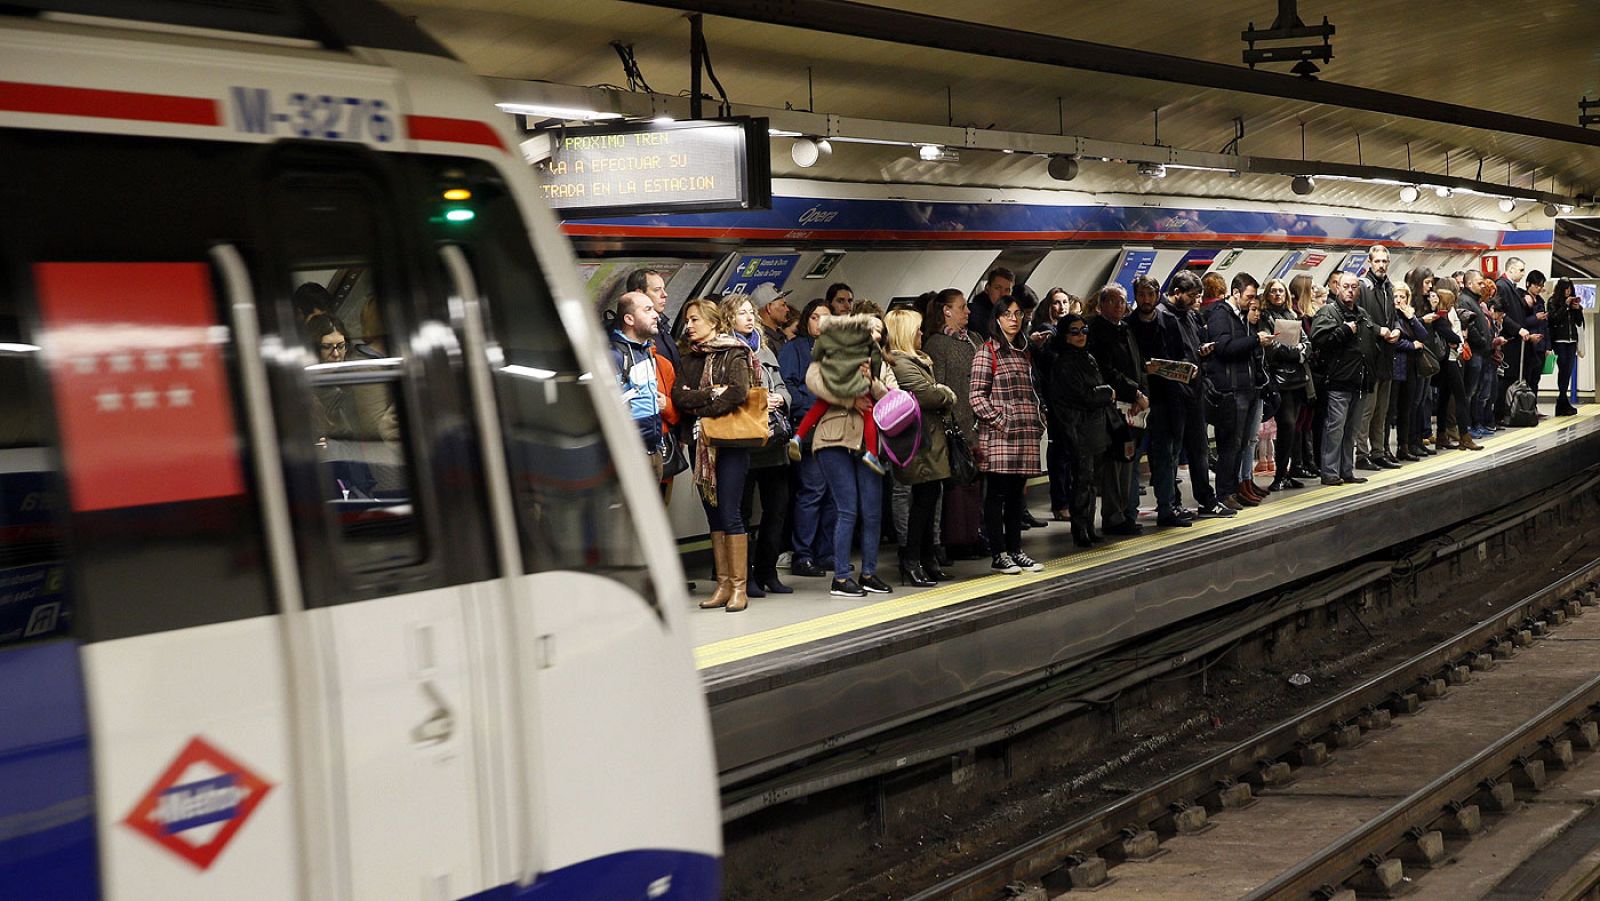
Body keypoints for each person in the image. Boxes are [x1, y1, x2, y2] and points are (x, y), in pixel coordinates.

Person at [672, 298, 758, 613]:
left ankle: (739, 587)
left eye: (695, 320)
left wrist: (702, 409)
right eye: (687, 321)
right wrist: (710, 394)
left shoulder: (734, 352)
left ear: (714, 321)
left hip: (730, 444)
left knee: (731, 512)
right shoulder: (687, 358)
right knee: (713, 513)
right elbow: (679, 396)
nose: (689, 326)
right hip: (700, 444)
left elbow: (738, 392)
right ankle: (723, 584)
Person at [806, 311, 894, 597]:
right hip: (834, 438)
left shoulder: (879, 360)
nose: (876, 336)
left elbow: (891, 396)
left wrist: (872, 383)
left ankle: (869, 573)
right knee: (848, 508)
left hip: (868, 442)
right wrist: (848, 397)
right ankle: (841, 578)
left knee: (872, 511)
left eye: (880, 331)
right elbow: (814, 382)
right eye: (872, 330)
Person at [970, 296, 1046, 574]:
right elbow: (976, 396)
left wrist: (1038, 420)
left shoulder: (1024, 352)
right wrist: (1002, 421)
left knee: (1017, 495)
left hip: (1025, 433)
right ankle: (999, 553)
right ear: (997, 319)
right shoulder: (986, 352)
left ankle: (1015, 549)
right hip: (1000, 435)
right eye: (1007, 314)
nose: (1014, 319)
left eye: (1018, 314)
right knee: (997, 493)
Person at [725, 294, 794, 597]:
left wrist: (782, 399)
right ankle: (745, 573)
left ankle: (768, 571)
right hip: (745, 442)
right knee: (742, 511)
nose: (750, 318)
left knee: (776, 508)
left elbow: (781, 386)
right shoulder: (727, 351)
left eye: (751, 312)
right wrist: (760, 400)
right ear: (729, 318)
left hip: (773, 441)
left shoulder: (764, 349)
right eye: (742, 313)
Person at [884, 309, 955, 586]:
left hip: (930, 440)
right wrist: (946, 393)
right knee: (922, 503)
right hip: (919, 442)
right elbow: (929, 395)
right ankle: (912, 561)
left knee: (930, 497)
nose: (921, 334)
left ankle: (927, 559)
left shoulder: (918, 361)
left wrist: (940, 392)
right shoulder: (902, 364)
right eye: (917, 330)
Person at [1046, 313, 1118, 547]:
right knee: (1082, 480)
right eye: (1074, 332)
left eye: (1084, 331)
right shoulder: (1064, 363)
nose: (1080, 336)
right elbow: (1083, 395)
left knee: (1090, 481)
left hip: (1093, 427)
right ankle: (1080, 528)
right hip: (1078, 429)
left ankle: (1088, 525)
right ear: (1065, 335)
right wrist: (1107, 393)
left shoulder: (1087, 357)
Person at [1165, 272, 1232, 518]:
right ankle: (1171, 502)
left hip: (1194, 390)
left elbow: (1191, 347)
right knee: (1172, 452)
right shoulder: (1165, 317)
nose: (1196, 300)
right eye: (1192, 295)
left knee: (1199, 448)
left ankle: (1206, 499)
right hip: (1173, 394)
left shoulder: (1190, 316)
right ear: (1177, 293)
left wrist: (1202, 352)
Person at [924, 288, 985, 560]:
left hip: (978, 422)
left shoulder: (974, 340)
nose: (968, 312)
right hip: (955, 425)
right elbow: (938, 387)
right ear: (946, 311)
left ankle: (974, 534)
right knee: (956, 486)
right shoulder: (937, 345)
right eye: (962, 307)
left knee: (974, 484)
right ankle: (956, 539)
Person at [1129, 275, 1193, 525]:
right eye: (1142, 294)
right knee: (1134, 459)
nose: (1146, 299)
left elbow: (1179, 356)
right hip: (1139, 399)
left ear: (1157, 295)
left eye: (1150, 294)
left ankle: (1167, 508)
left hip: (1167, 398)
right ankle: (1130, 513)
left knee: (1167, 456)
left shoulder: (1169, 321)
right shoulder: (1129, 325)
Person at [1087, 284, 1149, 532]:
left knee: (1128, 461)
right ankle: (1113, 516)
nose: (1119, 306)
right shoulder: (1098, 332)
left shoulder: (1126, 329)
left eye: (1122, 301)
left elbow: (1138, 363)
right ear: (1101, 305)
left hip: (1133, 405)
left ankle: (1124, 512)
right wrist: (1134, 391)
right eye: (1113, 302)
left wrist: (1141, 393)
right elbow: (1107, 370)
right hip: (1114, 408)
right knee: (1115, 463)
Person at [780, 299, 835, 577]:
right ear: (806, 320)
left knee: (833, 494)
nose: (820, 323)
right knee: (811, 491)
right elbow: (788, 382)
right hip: (809, 424)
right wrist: (807, 404)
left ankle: (826, 553)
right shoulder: (794, 348)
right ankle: (803, 554)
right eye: (815, 317)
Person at [1206, 273, 1270, 509]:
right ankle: (1224, 492)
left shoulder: (1241, 317)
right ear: (1235, 293)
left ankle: (1234, 489)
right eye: (1249, 297)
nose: (1251, 302)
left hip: (1247, 387)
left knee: (1241, 443)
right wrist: (1255, 341)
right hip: (1231, 389)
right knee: (1230, 444)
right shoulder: (1220, 315)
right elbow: (1223, 347)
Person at [1311, 273, 1378, 485]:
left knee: (1351, 431)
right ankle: (1330, 472)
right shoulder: (1328, 312)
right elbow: (1319, 340)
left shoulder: (1363, 314)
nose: (1350, 290)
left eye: (1354, 287)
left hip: (1360, 381)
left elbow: (1370, 340)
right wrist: (1344, 331)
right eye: (1346, 286)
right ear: (1337, 288)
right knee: (1335, 429)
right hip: (1338, 381)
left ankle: (1346, 470)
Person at [608, 291, 668, 481]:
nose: (656, 314)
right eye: (647, 310)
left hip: (653, 450)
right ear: (629, 319)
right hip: (631, 455)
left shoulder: (645, 351)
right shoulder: (614, 356)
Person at [1032, 288, 1078, 521]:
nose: (1061, 307)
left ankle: (1068, 499)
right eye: (1056, 303)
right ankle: (1060, 502)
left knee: (1069, 452)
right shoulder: (1045, 333)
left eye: (1065, 302)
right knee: (1060, 451)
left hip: (1070, 400)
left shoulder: (1066, 331)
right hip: (1055, 400)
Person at [1260, 278, 1310, 491]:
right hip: (1280, 381)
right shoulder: (1265, 317)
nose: (1277, 295)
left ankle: (1286, 473)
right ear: (1267, 295)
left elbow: (1306, 342)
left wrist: (1300, 352)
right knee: (1287, 425)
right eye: (1273, 291)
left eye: (1281, 291)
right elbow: (1272, 348)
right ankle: (1279, 475)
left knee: (1293, 428)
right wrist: (1296, 352)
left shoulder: (1292, 315)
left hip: (1297, 380)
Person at [1355, 245, 1401, 470]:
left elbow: (1395, 316)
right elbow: (1360, 318)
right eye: (1378, 261)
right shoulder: (1363, 287)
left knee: (1382, 409)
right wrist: (1378, 330)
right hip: (1370, 356)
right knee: (1368, 409)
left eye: (1385, 261)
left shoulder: (1389, 288)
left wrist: (1397, 330)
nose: (1381, 265)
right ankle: (1362, 454)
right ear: (1370, 263)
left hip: (1387, 355)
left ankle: (1378, 451)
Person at [1429, 280, 1482, 451]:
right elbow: (1451, 335)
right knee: (1460, 397)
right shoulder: (1440, 317)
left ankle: (1442, 434)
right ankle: (1464, 436)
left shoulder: (1446, 314)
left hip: (1448, 359)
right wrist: (1458, 339)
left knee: (1444, 398)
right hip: (1449, 360)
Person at [1456, 269, 1495, 440]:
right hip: (1474, 353)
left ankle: (1474, 424)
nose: (1483, 286)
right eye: (1479, 283)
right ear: (1469, 283)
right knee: (1469, 392)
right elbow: (1469, 327)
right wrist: (1482, 341)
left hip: (1482, 352)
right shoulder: (1465, 301)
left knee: (1477, 391)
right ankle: (1466, 426)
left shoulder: (1474, 301)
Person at [627, 268, 679, 373]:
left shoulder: (662, 324)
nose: (665, 294)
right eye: (657, 290)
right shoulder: (633, 332)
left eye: (663, 289)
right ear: (639, 294)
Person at [1549, 278, 1585, 416]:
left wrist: (1577, 309)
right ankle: (1562, 400)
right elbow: (1554, 319)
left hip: (1571, 340)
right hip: (1559, 340)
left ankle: (1563, 400)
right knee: (1563, 367)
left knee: (1568, 369)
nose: (1568, 291)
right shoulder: (1553, 301)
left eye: (1570, 288)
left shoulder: (1572, 303)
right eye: (1566, 288)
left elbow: (1579, 322)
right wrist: (1565, 306)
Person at [1523, 271, 1552, 396]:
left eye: (1541, 286)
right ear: (1528, 284)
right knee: (1527, 378)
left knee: (1536, 378)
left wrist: (1547, 346)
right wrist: (1536, 318)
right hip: (1529, 345)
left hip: (1540, 345)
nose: (1539, 289)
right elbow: (1521, 322)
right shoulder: (1523, 299)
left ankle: (1533, 406)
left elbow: (1546, 326)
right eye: (1536, 286)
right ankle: (1525, 407)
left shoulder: (1540, 301)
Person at [968, 267, 1015, 342]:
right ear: (987, 288)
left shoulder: (1010, 315)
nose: (1002, 294)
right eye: (997, 288)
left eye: (1007, 290)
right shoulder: (974, 312)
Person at [749, 282, 793, 354]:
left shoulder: (779, 335)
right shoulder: (763, 342)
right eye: (783, 305)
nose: (787, 309)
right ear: (769, 308)